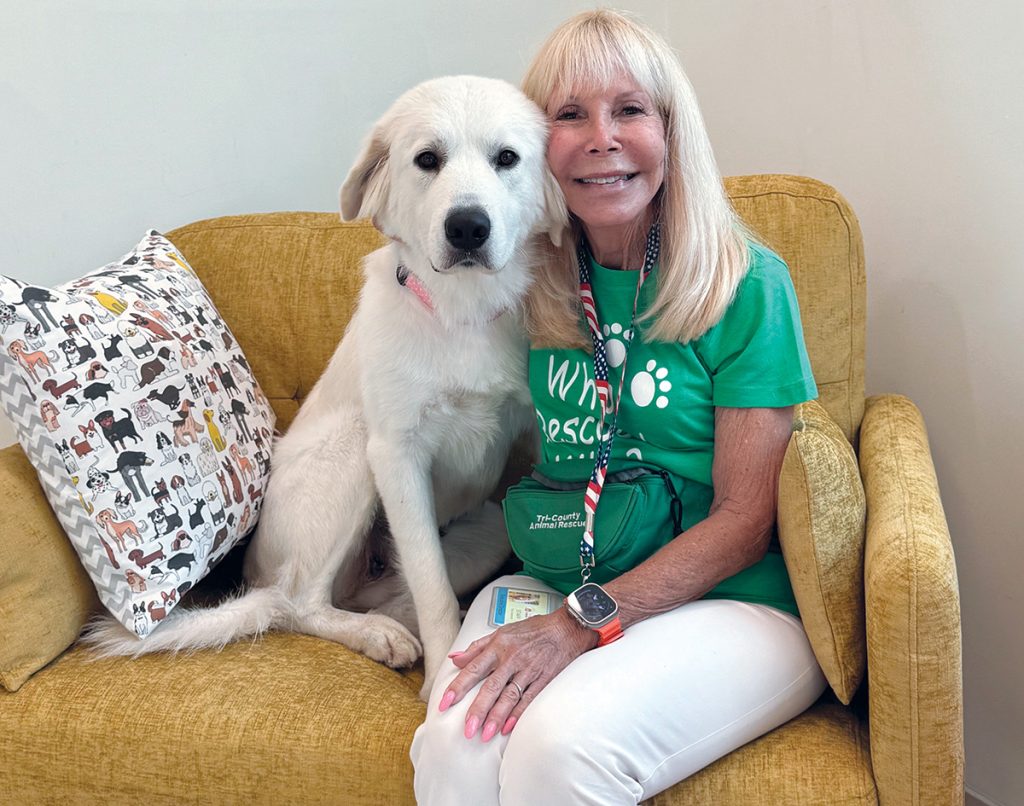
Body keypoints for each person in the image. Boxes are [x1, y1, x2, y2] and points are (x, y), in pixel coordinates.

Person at [411, 9, 827, 804]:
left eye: (629, 110)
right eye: (570, 115)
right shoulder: (522, 279)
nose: (601, 138)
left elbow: (746, 522)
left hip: (729, 600)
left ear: (671, 130)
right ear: (537, 144)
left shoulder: (746, 285)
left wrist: (579, 624)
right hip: (559, 570)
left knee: (558, 754)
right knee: (459, 746)